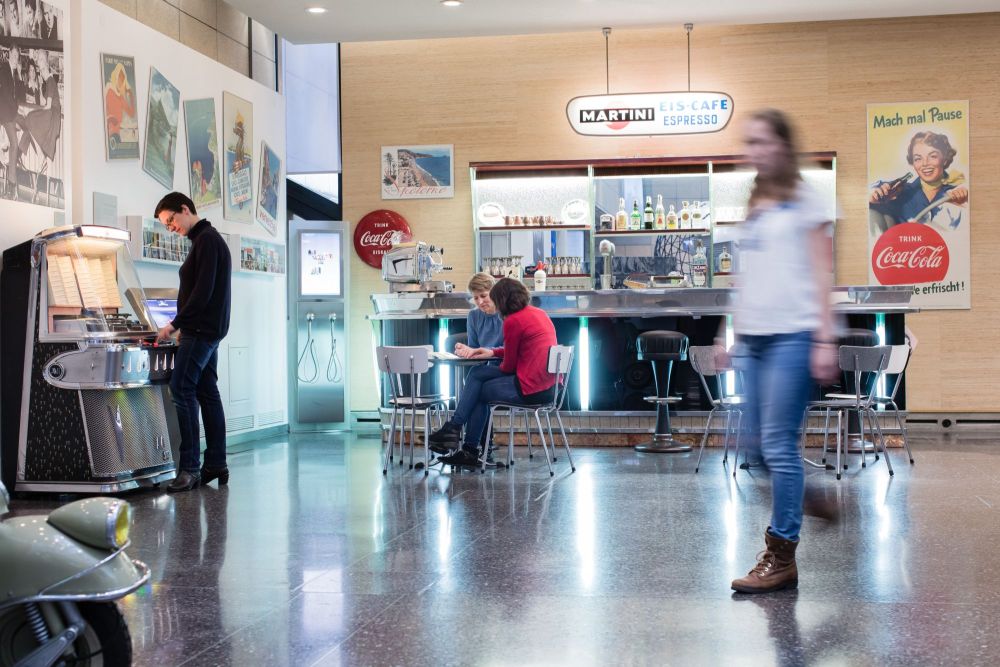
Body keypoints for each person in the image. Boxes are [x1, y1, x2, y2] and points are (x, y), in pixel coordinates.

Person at [724, 109, 839, 594]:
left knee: (777, 445)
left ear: (784, 145)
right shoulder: (756, 201)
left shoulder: (806, 198)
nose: (757, 150)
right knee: (754, 446)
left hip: (793, 333)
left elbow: (821, 272)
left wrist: (824, 336)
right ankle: (809, 498)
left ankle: (781, 554)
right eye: (750, 142)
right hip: (752, 337)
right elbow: (745, 275)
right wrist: (726, 333)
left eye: (765, 141)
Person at [428, 278, 557, 469]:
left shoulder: (513, 321)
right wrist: (492, 352)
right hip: (549, 387)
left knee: (478, 386)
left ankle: (460, 437)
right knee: (477, 377)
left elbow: (509, 367)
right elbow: (518, 350)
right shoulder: (539, 313)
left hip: (530, 388)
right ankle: (465, 444)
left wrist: (492, 359)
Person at [154, 192, 232, 492]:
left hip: (199, 331)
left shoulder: (207, 241)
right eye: (165, 224)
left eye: (170, 220)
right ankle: (215, 463)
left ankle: (189, 468)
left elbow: (202, 292)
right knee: (206, 391)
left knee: (181, 389)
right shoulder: (206, 240)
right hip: (207, 330)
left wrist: (174, 325)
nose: (170, 227)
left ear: (185, 209)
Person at [869, 131, 969, 230]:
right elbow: (870, 197)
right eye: (918, 159)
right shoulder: (898, 192)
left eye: (933, 156)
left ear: (945, 159)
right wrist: (874, 197)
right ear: (913, 163)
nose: (925, 163)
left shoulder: (957, 193)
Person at [18, 51, 59, 165]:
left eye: (41, 71)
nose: (40, 73)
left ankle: (29, 151)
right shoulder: (47, 82)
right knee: (30, 120)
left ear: (46, 65)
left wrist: (34, 111)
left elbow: (48, 106)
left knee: (30, 118)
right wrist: (40, 87)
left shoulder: (50, 81)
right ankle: (23, 151)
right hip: (50, 115)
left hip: (52, 117)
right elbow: (43, 102)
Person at [0, 44, 22, 199]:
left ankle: (12, 185)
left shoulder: (13, 72)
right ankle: (11, 185)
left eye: (17, 57)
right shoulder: (4, 69)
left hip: (11, 113)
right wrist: (17, 110)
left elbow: (19, 93)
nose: (15, 59)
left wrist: (19, 74)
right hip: (6, 114)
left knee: (24, 132)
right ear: (9, 55)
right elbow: (7, 95)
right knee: (14, 144)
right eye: (13, 56)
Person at [104, 61, 135, 150]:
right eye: (119, 78)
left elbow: (131, 114)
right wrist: (110, 118)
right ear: (115, 77)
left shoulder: (121, 97)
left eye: (123, 80)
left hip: (118, 135)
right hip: (109, 134)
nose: (121, 82)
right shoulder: (108, 92)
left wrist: (131, 97)